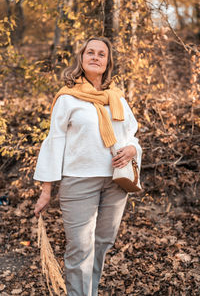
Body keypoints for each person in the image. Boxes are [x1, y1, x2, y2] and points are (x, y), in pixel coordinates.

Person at [34, 36, 142, 296]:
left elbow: (132, 136)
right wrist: (47, 189)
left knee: (102, 242)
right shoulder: (67, 99)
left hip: (116, 182)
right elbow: (54, 142)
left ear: (107, 62)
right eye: (90, 52)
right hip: (79, 181)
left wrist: (132, 150)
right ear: (81, 59)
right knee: (80, 248)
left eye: (101, 54)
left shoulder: (117, 98)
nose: (95, 57)